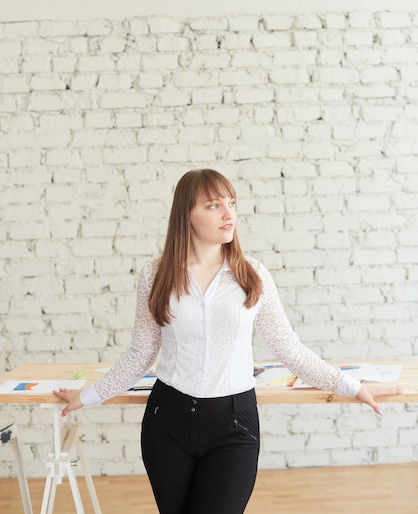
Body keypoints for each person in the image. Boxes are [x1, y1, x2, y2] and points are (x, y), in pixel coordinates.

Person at [53, 168, 402, 514]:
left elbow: (289, 349)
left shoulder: (251, 275)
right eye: (213, 205)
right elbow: (141, 353)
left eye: (231, 203)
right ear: (185, 215)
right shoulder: (155, 275)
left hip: (233, 425)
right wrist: (85, 397)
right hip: (167, 421)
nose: (228, 213)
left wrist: (353, 387)